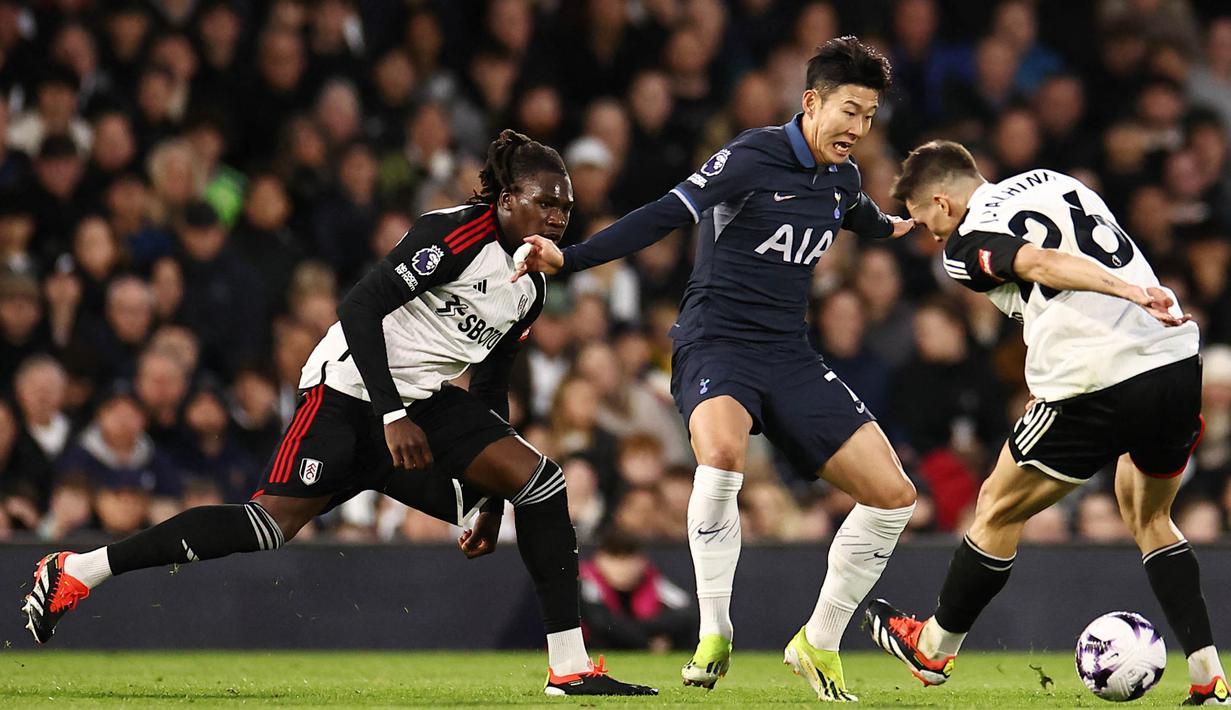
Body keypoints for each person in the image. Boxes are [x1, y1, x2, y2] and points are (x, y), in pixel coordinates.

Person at [20, 130, 656, 697]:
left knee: (542, 485)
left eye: (566, 207)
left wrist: (492, 499)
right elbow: (359, 307)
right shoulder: (455, 234)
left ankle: (568, 668)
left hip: (419, 406)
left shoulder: (533, 287)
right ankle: (77, 570)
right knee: (268, 526)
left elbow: (490, 387)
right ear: (508, 198)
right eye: (546, 202)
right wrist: (389, 414)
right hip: (347, 392)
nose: (558, 217)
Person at [515, 36, 917, 701]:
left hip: (789, 354)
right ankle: (714, 629)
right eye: (849, 110)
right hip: (715, 342)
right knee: (723, 454)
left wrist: (894, 227)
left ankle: (817, 641)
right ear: (811, 102)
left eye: (869, 115)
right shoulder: (750, 155)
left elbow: (860, 217)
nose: (858, 128)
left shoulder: (842, 178)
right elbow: (661, 216)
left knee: (893, 495)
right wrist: (572, 258)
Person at [863, 140, 1228, 707]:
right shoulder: (1053, 180)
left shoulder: (964, 245)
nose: (931, 234)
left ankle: (933, 648)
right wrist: (1136, 293)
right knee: (1151, 514)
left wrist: (1127, 290)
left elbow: (1038, 261)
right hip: (1173, 361)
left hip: (1095, 377)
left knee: (996, 507)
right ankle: (1209, 678)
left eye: (925, 220)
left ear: (941, 199)